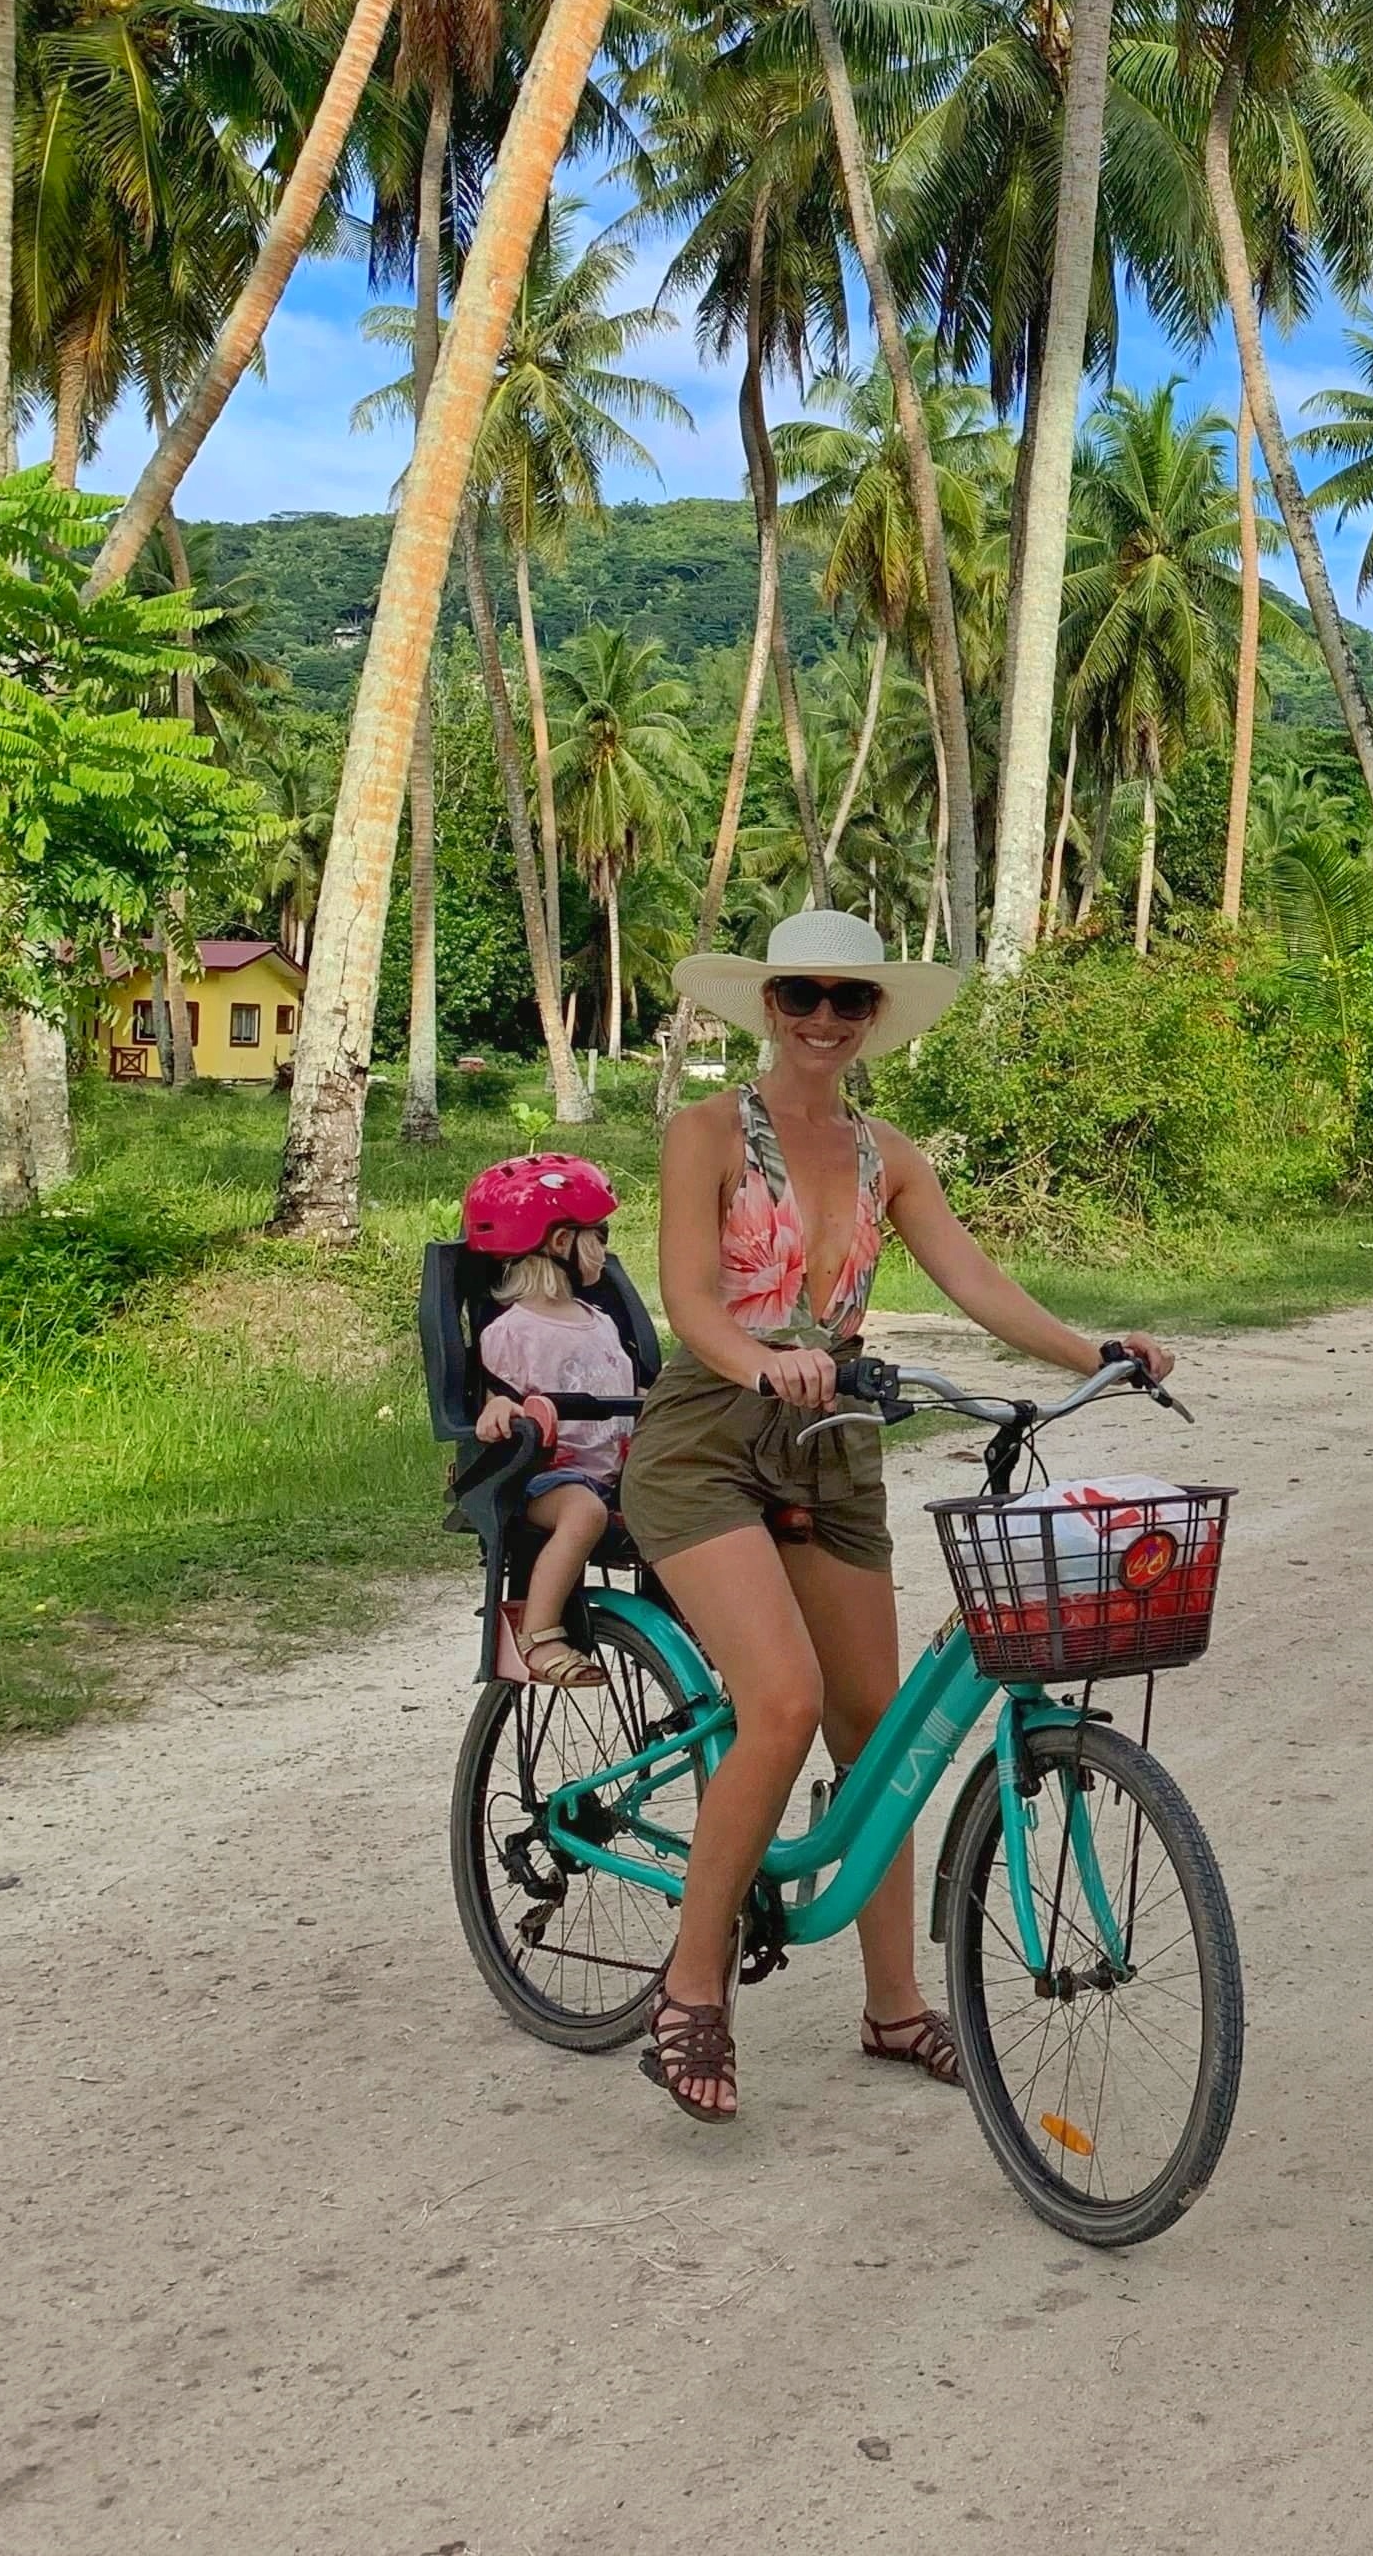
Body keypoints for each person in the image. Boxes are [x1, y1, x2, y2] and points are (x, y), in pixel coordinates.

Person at [616, 906, 1173, 2125]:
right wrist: (763, 1363)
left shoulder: (890, 1154)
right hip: (709, 1437)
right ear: (769, 1003)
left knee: (880, 1736)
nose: (825, 1018)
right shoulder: (705, 1132)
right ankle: (691, 1988)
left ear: (875, 1018)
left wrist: (1099, 1350)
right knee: (782, 1702)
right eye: (804, 994)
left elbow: (975, 1281)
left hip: (835, 1444)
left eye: (850, 1001)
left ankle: (893, 2006)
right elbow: (692, 1302)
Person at [463, 1153, 636, 1689]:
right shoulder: (512, 1332)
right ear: (561, 1243)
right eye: (599, 1234)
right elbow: (496, 1396)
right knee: (583, 1513)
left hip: (613, 1471)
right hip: (540, 1478)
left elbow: (625, 1389)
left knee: (688, 1494)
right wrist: (497, 1410)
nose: (606, 1249)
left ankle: (694, 1619)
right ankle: (539, 1635)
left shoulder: (600, 1321)